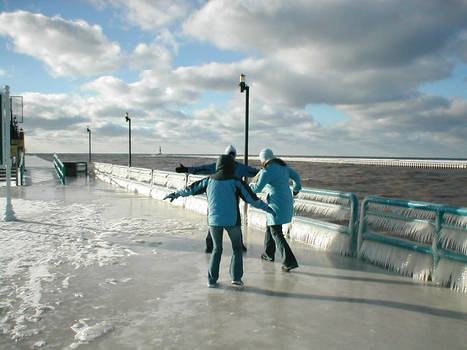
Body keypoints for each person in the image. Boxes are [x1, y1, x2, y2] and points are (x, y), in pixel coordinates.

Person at [164, 155, 275, 287]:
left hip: (214, 221)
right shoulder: (236, 181)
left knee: (217, 249)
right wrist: (267, 208)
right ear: (231, 166)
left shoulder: (208, 180)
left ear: (218, 166)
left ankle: (211, 280)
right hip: (232, 221)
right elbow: (252, 199)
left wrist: (175, 194)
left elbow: (189, 190)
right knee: (237, 249)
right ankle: (236, 278)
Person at [175, 145, 259, 253]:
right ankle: (217, 245)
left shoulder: (226, 166)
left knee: (222, 221)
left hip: (224, 200)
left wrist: (187, 169)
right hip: (227, 200)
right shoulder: (234, 166)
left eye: (232, 155)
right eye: (230, 155)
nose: (231, 157)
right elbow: (203, 169)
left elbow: (256, 172)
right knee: (229, 222)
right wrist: (187, 169)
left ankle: (224, 245)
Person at [250, 148, 302, 272]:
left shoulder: (266, 171)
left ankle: (289, 261)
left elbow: (257, 189)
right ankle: (268, 254)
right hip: (287, 201)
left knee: (276, 232)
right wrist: (296, 188)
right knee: (271, 226)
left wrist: (248, 186)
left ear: (263, 160)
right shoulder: (284, 167)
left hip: (276, 203)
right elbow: (297, 176)